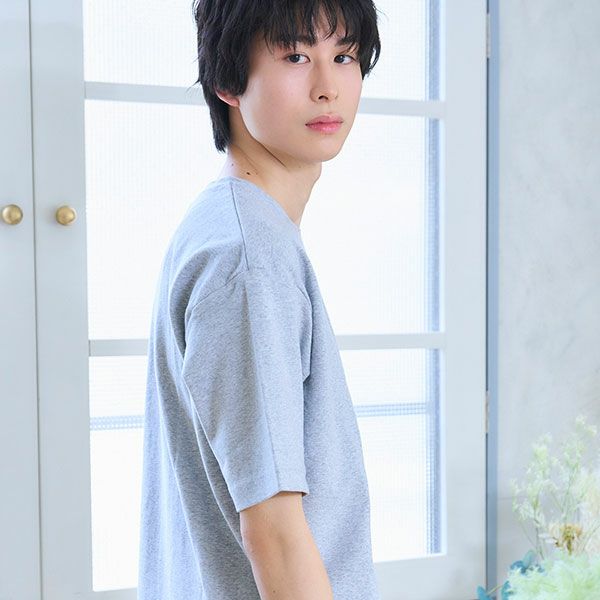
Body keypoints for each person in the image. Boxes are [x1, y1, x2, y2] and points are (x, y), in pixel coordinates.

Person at [137, 1, 382, 598]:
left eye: (344, 56)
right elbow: (274, 533)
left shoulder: (227, 226)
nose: (327, 87)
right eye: (295, 56)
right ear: (227, 80)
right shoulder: (249, 260)